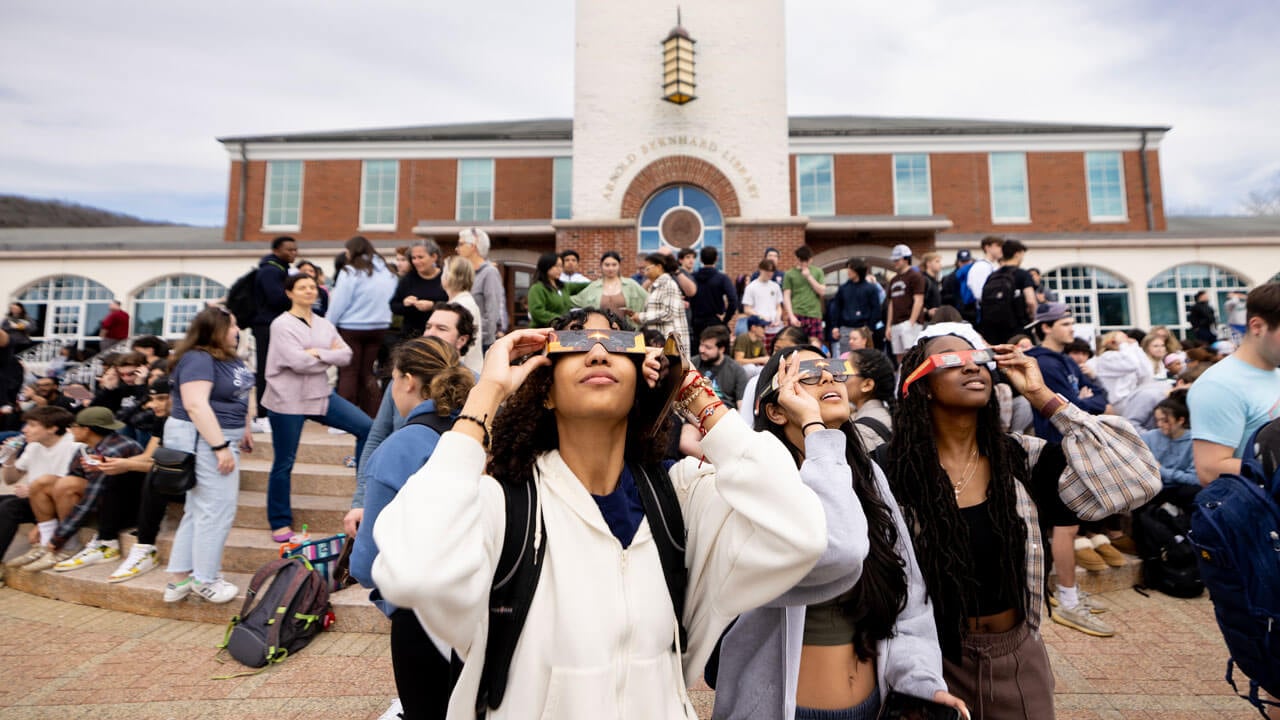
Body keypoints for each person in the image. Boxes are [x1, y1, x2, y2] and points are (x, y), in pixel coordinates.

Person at [370, 309, 828, 719]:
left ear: (638, 382)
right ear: (545, 390)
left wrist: (695, 394)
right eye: (572, 343)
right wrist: (486, 393)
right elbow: (413, 573)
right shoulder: (505, 505)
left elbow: (800, 533)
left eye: (616, 343)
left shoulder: (679, 498)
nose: (596, 353)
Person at [886, 324, 1159, 717]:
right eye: (952, 360)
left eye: (979, 359)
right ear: (922, 384)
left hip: (1015, 659)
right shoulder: (892, 470)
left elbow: (1137, 480)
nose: (971, 368)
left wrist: (1042, 396)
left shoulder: (1021, 459)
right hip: (929, 661)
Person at [714, 347, 966, 720]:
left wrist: (920, 681)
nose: (830, 377)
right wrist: (816, 429)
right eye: (809, 375)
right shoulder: (754, 485)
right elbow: (840, 551)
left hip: (871, 705)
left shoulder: (866, 477)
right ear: (776, 409)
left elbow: (909, 596)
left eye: (833, 368)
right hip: (781, 709)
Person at [350, 336, 475, 720]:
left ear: (405, 380)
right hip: (489, 606)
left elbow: (366, 564)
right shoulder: (487, 434)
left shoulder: (401, 447)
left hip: (422, 619)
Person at [344, 302, 477, 537]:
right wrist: (361, 500)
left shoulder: (475, 386)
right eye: (428, 326)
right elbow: (377, 437)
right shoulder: (402, 381)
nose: (431, 333)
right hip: (392, 494)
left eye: (442, 328)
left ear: (462, 340)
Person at [263, 274, 371, 543]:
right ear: (289, 293)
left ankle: (363, 498)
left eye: (313, 287)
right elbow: (296, 362)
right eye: (302, 287)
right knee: (284, 462)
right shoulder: (281, 324)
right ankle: (279, 520)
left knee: (367, 427)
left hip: (320, 395)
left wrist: (315, 353)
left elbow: (346, 355)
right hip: (286, 399)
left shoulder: (324, 324)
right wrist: (325, 355)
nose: (309, 291)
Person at [162, 306, 255, 604]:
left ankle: (179, 578)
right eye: (232, 325)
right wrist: (219, 447)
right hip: (206, 438)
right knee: (216, 510)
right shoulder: (198, 359)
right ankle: (206, 579)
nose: (237, 330)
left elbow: (238, 395)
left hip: (224, 434)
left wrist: (245, 428)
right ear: (215, 329)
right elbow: (196, 405)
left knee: (200, 509)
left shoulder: (226, 358)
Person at [16, 406, 144, 572]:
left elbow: (90, 497)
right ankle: (44, 544)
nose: (69, 430)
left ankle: (67, 546)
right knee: (43, 482)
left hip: (123, 510)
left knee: (67, 484)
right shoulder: (87, 446)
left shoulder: (114, 449)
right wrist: (42, 527)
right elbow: (72, 476)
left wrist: (59, 537)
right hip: (100, 501)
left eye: (74, 427)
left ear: (86, 430)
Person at [1188, 282, 1280, 485]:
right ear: (1257, 326)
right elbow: (1209, 470)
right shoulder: (1218, 385)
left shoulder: (1275, 373)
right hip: (1259, 512)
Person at [97, 376, 180, 582]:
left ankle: (145, 547)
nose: (154, 405)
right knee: (119, 472)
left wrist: (126, 464)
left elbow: (173, 467)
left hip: (188, 480)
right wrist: (112, 462)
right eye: (152, 399)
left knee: (154, 475)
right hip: (169, 474)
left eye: (162, 398)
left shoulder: (188, 422)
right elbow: (148, 456)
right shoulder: (162, 419)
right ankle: (106, 541)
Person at [328, 236, 399, 417]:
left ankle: (344, 417)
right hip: (379, 327)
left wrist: (328, 325)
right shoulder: (388, 272)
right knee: (367, 373)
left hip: (352, 327)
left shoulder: (350, 272)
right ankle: (372, 415)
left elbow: (339, 302)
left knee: (349, 372)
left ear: (353, 251)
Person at [248, 236, 297, 433]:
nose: (294, 253)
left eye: (295, 249)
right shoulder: (270, 271)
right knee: (267, 370)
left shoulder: (280, 269)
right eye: (289, 250)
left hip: (276, 325)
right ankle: (263, 415)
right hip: (266, 327)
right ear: (277, 250)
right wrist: (295, 298)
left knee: (280, 368)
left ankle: (275, 411)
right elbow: (276, 298)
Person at [1139, 390, 1199, 512]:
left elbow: (1195, 479)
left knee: (1192, 492)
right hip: (1152, 487)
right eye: (1157, 420)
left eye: (1165, 421)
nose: (1160, 424)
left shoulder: (1193, 442)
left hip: (1177, 489)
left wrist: (1162, 470)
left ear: (1180, 420)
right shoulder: (1149, 437)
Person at [625, 252, 691, 357]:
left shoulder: (668, 284)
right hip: (660, 343)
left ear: (659, 267)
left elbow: (669, 313)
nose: (645, 273)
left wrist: (641, 316)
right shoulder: (655, 287)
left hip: (670, 343)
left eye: (647, 268)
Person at [977, 239, 1037, 346]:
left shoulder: (992, 275)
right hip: (1017, 329)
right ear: (1017, 254)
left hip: (993, 330)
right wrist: (1033, 318)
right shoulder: (1022, 274)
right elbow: (1031, 301)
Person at [457, 227, 506, 353]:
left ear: (473, 246)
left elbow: (493, 311)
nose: (457, 248)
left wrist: (482, 339)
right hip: (463, 341)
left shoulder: (489, 272)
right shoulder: (465, 274)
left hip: (480, 344)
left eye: (461, 244)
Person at [391, 239, 449, 340]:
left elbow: (455, 305)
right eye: (413, 258)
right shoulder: (408, 279)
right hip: (411, 337)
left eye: (421, 257)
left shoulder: (446, 278)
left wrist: (433, 306)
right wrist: (405, 304)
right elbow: (394, 306)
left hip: (440, 337)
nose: (416, 261)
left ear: (434, 257)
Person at [846, 348, 896, 454]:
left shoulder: (862, 431)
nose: (838, 379)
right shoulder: (889, 413)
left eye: (846, 374)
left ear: (867, 385)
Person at [571, 250, 648, 317]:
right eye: (607, 265)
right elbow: (573, 301)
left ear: (619, 266)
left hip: (628, 331)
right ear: (601, 266)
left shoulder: (631, 284)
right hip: (600, 331)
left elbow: (649, 301)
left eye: (614, 265)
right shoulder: (593, 286)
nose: (610, 268)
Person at [441, 256, 484, 374]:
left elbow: (459, 344)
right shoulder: (462, 301)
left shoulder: (461, 305)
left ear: (450, 276)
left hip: (462, 373)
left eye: (444, 271)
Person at [830, 259, 882, 357]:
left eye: (851, 269)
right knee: (846, 358)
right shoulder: (843, 288)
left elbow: (876, 309)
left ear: (858, 270)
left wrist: (870, 328)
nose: (848, 271)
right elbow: (836, 308)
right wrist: (835, 326)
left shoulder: (870, 288)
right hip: (846, 329)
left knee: (865, 358)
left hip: (864, 329)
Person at [689, 247, 738, 347]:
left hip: (696, 322)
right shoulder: (721, 278)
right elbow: (733, 300)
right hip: (716, 322)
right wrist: (726, 319)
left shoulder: (692, 277)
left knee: (698, 353)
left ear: (701, 260)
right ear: (716, 258)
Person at [527, 252, 589, 328]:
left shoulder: (564, 286)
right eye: (557, 266)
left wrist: (601, 282)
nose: (560, 269)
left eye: (561, 266)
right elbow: (537, 312)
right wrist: (562, 319)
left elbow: (585, 285)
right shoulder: (537, 288)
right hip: (542, 332)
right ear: (546, 266)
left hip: (561, 330)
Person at [886, 244, 925, 361]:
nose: (895, 262)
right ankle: (902, 378)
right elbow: (891, 304)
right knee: (899, 357)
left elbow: (919, 300)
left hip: (909, 321)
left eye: (897, 259)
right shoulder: (894, 279)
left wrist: (911, 322)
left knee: (911, 355)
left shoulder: (915, 276)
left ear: (906, 259)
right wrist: (888, 325)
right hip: (896, 323)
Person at [693, 325, 747, 410]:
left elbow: (741, 404)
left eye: (708, 347)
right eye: (701, 345)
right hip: (697, 413)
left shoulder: (737, 370)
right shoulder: (693, 364)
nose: (701, 350)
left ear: (721, 349)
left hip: (725, 413)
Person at [783, 246, 827, 345]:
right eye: (802, 260)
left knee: (815, 345)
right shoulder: (789, 274)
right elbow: (786, 296)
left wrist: (808, 276)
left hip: (814, 314)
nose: (805, 263)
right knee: (795, 344)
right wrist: (791, 316)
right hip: (797, 314)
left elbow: (822, 291)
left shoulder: (817, 271)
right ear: (798, 259)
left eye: (807, 260)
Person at [740, 259, 786, 348]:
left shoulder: (775, 286)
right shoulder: (751, 287)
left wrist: (777, 318)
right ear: (760, 269)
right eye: (767, 271)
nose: (770, 274)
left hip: (776, 328)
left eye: (772, 271)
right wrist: (761, 317)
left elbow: (778, 306)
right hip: (760, 330)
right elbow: (747, 309)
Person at [964, 235, 1005, 311]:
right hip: (985, 311)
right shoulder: (981, 266)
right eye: (998, 246)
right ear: (987, 247)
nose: (1002, 249)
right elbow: (979, 294)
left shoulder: (993, 266)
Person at [920, 251, 943, 320]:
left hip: (935, 320)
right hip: (925, 321)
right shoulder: (923, 279)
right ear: (928, 264)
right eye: (937, 261)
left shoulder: (934, 281)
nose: (940, 265)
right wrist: (927, 312)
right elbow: (918, 300)